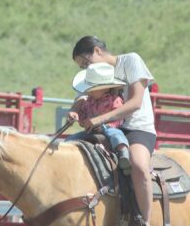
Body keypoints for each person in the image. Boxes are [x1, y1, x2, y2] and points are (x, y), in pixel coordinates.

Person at [67, 35, 156, 225]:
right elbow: (82, 96)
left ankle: (146, 220)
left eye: (86, 63)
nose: (86, 69)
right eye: (82, 67)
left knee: (139, 166)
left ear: (97, 51)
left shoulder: (131, 60)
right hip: (104, 129)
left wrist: (99, 118)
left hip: (136, 129)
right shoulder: (94, 74)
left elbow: (135, 102)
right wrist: (74, 111)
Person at [66, 62, 132, 174]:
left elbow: (119, 118)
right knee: (71, 138)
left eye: (93, 89)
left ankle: (123, 154)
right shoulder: (88, 102)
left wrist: (105, 126)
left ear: (105, 89)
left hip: (108, 129)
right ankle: (66, 154)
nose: (89, 91)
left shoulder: (115, 100)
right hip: (90, 131)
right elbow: (83, 117)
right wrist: (77, 117)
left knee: (116, 135)